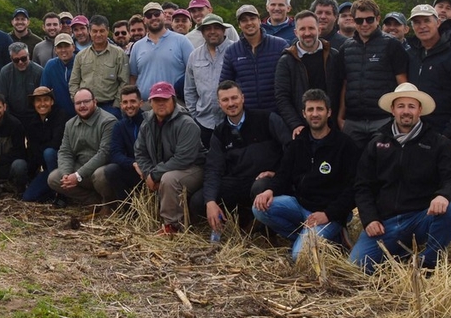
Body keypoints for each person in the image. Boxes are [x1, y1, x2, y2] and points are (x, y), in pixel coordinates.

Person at [349, 83, 451, 273]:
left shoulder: (438, 143)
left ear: (420, 110)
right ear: (393, 110)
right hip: (386, 224)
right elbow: (362, 186)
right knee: (356, 267)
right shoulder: (377, 144)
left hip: (421, 218)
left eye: (411, 106)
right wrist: (370, 219)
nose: (406, 111)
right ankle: (401, 255)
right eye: (401, 106)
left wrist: (443, 195)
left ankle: (427, 264)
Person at [253, 89, 361, 261]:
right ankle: (313, 239)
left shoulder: (345, 146)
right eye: (310, 110)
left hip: (329, 214)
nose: (315, 114)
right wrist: (269, 191)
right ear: (304, 114)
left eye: (319, 109)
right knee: (260, 208)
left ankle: (330, 235)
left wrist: (328, 214)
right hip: (301, 206)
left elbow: (353, 189)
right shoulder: (299, 143)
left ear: (329, 112)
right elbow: (283, 173)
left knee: (298, 257)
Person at [194, 81, 291, 234]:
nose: (231, 103)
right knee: (199, 201)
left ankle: (264, 228)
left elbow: (291, 150)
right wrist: (210, 201)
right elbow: (213, 169)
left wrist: (277, 173)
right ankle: (238, 221)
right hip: (237, 182)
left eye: (234, 98)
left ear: (243, 98)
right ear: (219, 104)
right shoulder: (220, 132)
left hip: (264, 181)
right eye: (225, 100)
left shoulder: (266, 119)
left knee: (260, 188)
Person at [405, 5, 451, 171]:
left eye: (427, 20)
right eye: (417, 22)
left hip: (448, 136)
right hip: (416, 134)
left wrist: (449, 135)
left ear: (438, 22)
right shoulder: (410, 55)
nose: (422, 26)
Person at [136, 82, 206, 234]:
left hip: (194, 168)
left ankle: (173, 226)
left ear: (173, 100)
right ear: (150, 102)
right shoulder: (147, 122)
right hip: (164, 168)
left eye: (165, 100)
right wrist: (148, 173)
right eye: (156, 100)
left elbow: (183, 159)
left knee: (169, 179)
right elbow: (140, 152)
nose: (160, 104)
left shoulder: (187, 123)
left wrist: (155, 174)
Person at [339, 0, 409, 149]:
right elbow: (345, 84)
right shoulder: (346, 48)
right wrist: (340, 117)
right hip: (353, 121)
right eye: (359, 20)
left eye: (369, 19)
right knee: (353, 169)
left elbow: (402, 83)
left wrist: (401, 114)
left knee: (382, 167)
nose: (364, 24)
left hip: (383, 119)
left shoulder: (392, 45)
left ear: (377, 19)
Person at [273, 10, 345, 137]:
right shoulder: (286, 61)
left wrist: (339, 118)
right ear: (295, 32)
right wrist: (295, 124)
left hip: (331, 127)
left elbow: (342, 90)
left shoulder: (333, 56)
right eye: (302, 29)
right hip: (302, 129)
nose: (307, 33)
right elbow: (282, 97)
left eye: (311, 28)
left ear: (319, 30)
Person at [46, 89, 117, 206]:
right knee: (53, 178)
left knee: (100, 175)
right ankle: (95, 202)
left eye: (86, 102)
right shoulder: (70, 124)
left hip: (101, 168)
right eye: (78, 103)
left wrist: (78, 175)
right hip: (80, 170)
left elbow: (104, 154)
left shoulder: (108, 121)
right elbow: (65, 151)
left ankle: (110, 204)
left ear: (95, 102)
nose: (82, 106)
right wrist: (66, 174)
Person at [220, 4, 288, 112]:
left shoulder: (279, 45)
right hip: (247, 116)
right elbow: (225, 86)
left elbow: (290, 81)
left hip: (277, 113)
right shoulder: (232, 51)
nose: (249, 23)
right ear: (239, 25)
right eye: (244, 20)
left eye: (252, 18)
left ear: (260, 21)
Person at [183, 14, 234, 148]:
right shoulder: (194, 55)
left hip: (232, 120)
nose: (212, 32)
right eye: (207, 28)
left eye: (216, 28)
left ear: (223, 30)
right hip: (204, 122)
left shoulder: (235, 50)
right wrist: (194, 116)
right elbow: (189, 89)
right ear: (202, 32)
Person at [128, 2, 194, 99]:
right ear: (144, 20)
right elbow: (133, 77)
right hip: (146, 104)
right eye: (149, 15)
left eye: (157, 14)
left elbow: (194, 71)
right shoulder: (137, 46)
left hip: (175, 103)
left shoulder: (182, 41)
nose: (153, 17)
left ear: (164, 15)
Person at [99, 85, 147, 209]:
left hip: (150, 169)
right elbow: (115, 153)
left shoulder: (149, 121)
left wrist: (144, 165)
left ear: (140, 103)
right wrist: (133, 164)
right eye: (125, 102)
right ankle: (127, 209)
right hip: (133, 169)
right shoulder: (119, 126)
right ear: (121, 105)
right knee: (111, 170)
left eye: (132, 101)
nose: (129, 105)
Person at [70, 16, 129, 117]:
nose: (98, 34)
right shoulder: (81, 55)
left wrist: (116, 105)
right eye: (95, 31)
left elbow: (124, 81)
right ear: (89, 31)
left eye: (102, 31)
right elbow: (74, 82)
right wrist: (79, 102)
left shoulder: (119, 54)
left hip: (110, 107)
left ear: (108, 31)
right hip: (85, 107)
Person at [0, 42, 44, 124]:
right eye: (16, 60)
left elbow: (42, 98)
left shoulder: (39, 71)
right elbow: (2, 98)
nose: (20, 62)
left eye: (23, 58)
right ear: (11, 59)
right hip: (12, 116)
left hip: (35, 116)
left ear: (29, 55)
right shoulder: (5, 72)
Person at [39, 34, 76, 115]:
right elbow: (44, 91)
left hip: (80, 113)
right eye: (59, 47)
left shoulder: (81, 62)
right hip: (58, 116)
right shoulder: (50, 65)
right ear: (55, 50)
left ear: (73, 47)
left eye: (66, 46)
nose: (63, 50)